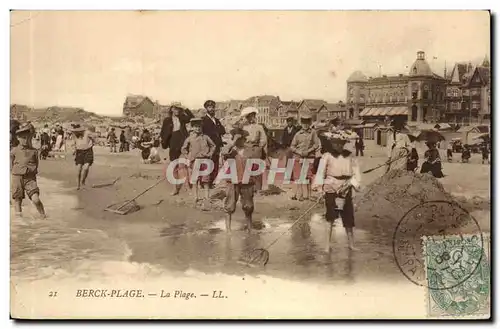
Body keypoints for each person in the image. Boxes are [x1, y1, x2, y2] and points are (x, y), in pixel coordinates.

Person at [320, 131, 361, 251]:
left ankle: (351, 244)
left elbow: (356, 172)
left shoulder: (350, 156)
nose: (338, 146)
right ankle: (327, 245)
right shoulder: (327, 156)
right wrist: (320, 189)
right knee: (330, 218)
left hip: (346, 188)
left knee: (348, 218)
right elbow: (320, 173)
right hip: (331, 188)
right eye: (335, 143)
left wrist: (354, 184)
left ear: (343, 144)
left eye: (340, 143)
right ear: (332, 143)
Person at [221, 128, 255, 233]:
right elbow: (224, 152)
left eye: (241, 138)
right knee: (229, 205)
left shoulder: (249, 150)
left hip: (246, 181)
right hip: (232, 180)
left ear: (244, 139)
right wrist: (233, 142)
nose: (240, 141)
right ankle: (228, 229)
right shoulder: (230, 150)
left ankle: (250, 228)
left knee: (248, 206)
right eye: (237, 139)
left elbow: (254, 166)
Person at [10, 123, 46, 218]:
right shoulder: (14, 150)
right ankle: (20, 221)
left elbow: (36, 165)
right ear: (18, 138)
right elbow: (10, 164)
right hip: (17, 176)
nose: (25, 140)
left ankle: (43, 215)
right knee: (18, 199)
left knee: (36, 199)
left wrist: (31, 171)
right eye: (23, 138)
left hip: (30, 178)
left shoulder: (34, 151)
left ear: (30, 137)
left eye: (27, 138)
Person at [160, 103, 195, 195]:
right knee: (174, 165)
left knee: (184, 164)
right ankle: (175, 188)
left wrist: (185, 107)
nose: (177, 111)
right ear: (171, 109)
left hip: (183, 141)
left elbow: (192, 117)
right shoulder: (167, 120)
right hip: (173, 142)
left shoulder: (182, 118)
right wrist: (165, 143)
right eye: (175, 109)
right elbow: (163, 133)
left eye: (178, 109)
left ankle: (187, 186)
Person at [181, 117, 216, 201]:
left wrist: (210, 154)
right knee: (195, 179)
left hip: (205, 160)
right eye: (195, 127)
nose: (198, 128)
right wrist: (188, 156)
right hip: (194, 161)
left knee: (206, 179)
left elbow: (213, 145)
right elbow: (183, 148)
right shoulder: (190, 138)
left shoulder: (206, 137)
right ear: (192, 128)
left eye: (199, 127)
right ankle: (195, 196)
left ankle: (206, 196)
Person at [290, 114, 320, 201]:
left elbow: (316, 144)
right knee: (299, 177)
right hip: (299, 157)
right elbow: (292, 146)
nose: (305, 125)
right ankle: (300, 195)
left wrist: (309, 151)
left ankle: (309, 195)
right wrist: (299, 152)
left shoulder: (313, 133)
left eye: (307, 123)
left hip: (309, 157)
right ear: (301, 123)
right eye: (303, 123)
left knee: (308, 176)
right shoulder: (297, 134)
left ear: (310, 123)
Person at [240, 107, 267, 192]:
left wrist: (259, 147)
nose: (251, 118)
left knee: (257, 169)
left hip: (256, 149)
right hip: (246, 149)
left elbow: (264, 139)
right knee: (246, 169)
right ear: (247, 117)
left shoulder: (259, 127)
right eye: (249, 117)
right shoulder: (243, 128)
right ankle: (247, 187)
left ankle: (257, 188)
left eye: (253, 116)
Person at [201, 100, 226, 188]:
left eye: (213, 107)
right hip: (208, 146)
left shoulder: (217, 120)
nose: (212, 109)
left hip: (217, 145)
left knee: (215, 164)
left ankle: (210, 182)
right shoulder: (203, 120)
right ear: (206, 108)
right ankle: (204, 183)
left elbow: (223, 131)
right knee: (208, 164)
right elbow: (202, 134)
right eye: (210, 107)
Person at [71, 123, 95, 190]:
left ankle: (83, 181)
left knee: (86, 168)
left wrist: (92, 143)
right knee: (79, 169)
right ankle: (78, 184)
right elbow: (73, 143)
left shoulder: (87, 133)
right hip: (79, 152)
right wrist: (74, 150)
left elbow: (94, 137)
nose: (76, 132)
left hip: (88, 151)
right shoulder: (75, 135)